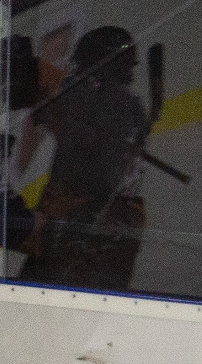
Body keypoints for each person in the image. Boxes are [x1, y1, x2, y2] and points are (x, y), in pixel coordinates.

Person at [18, 25, 151, 291]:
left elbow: (102, 177)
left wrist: (71, 213)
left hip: (90, 224)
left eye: (85, 65)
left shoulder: (114, 104)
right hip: (89, 221)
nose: (77, 71)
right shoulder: (101, 99)